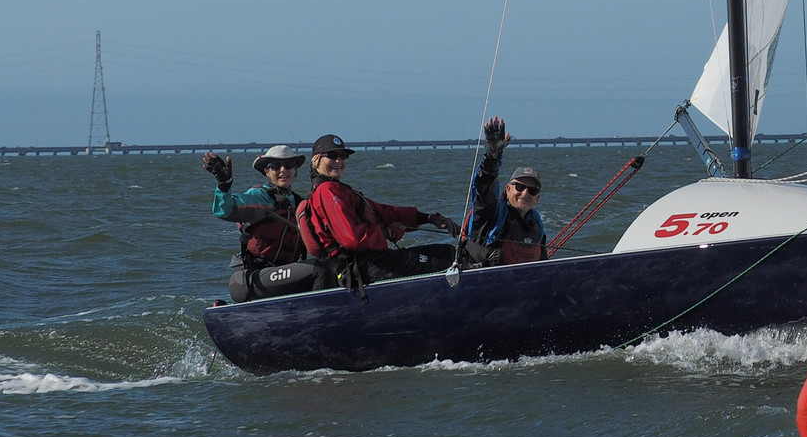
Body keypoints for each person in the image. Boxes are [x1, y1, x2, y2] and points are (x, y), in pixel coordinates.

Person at [297, 134, 462, 285]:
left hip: (377, 261)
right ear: (316, 160)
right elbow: (353, 238)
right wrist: (387, 233)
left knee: (448, 252)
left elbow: (385, 212)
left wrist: (429, 218)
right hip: (365, 267)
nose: (339, 161)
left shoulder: (341, 190)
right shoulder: (327, 191)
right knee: (449, 264)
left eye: (343, 156)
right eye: (332, 156)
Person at [204, 145, 312, 301]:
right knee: (317, 270)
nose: (283, 170)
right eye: (275, 166)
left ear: (295, 170)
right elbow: (225, 210)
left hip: (282, 276)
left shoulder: (299, 204)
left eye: (289, 165)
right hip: (251, 279)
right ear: (267, 171)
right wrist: (224, 184)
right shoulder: (260, 197)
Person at [463, 118, 550, 265]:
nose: (525, 193)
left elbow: (544, 264)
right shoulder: (492, 212)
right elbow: (484, 185)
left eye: (532, 190)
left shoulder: (536, 222)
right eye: (520, 187)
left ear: (538, 198)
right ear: (508, 189)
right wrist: (493, 156)